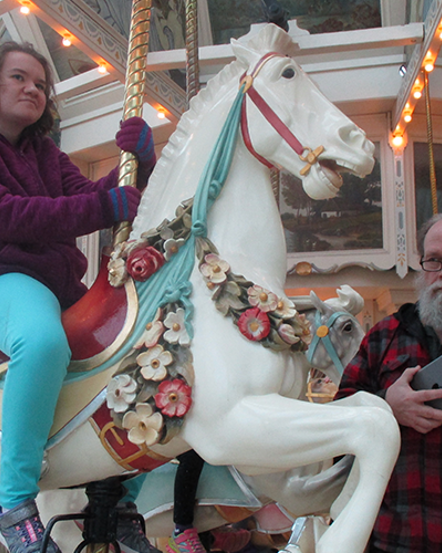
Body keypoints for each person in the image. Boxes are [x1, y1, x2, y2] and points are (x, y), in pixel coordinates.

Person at [0, 40, 157, 553]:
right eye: (20, 77)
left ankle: (115, 495)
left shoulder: (45, 154)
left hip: (61, 285)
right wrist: (105, 206)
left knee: (143, 357)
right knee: (42, 342)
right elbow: (15, 215)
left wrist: (140, 162)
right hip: (9, 275)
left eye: (42, 84)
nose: (34, 90)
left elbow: (91, 198)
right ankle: (13, 503)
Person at [335, 213, 442, 553]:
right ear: (422, 268)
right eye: (435, 260)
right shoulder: (384, 337)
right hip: (393, 539)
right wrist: (386, 407)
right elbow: (335, 421)